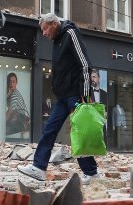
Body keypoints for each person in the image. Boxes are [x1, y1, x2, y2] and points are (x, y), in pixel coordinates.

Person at [18, 13, 98, 185]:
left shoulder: (70, 34)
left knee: (79, 134)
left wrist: (85, 95)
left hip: (76, 95)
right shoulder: (57, 40)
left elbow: (84, 64)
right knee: (50, 130)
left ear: (54, 24)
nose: (44, 33)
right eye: (42, 30)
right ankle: (39, 168)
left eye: (45, 29)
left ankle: (91, 173)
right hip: (63, 97)